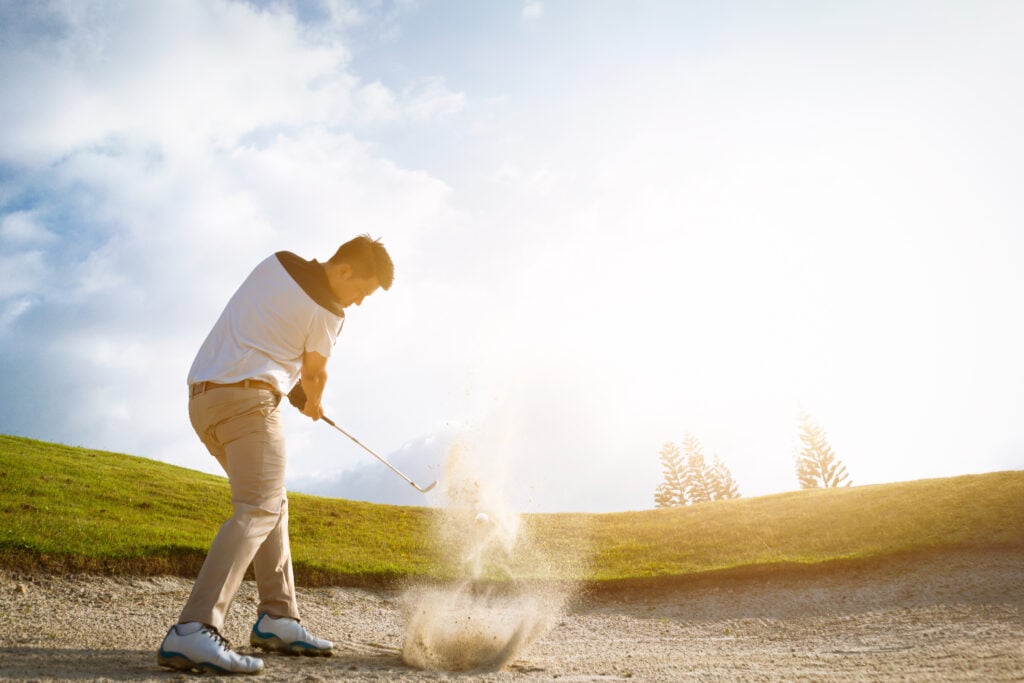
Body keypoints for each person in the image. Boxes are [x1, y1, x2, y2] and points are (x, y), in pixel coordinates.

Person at [158, 235, 394, 674]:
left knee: (271, 501)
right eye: (361, 291)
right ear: (344, 271)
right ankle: (194, 630)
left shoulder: (278, 262)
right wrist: (314, 399)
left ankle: (278, 618)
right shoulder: (329, 311)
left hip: (204, 402)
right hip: (248, 405)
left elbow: (269, 332)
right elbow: (315, 371)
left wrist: (296, 387)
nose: (358, 303)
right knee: (258, 507)